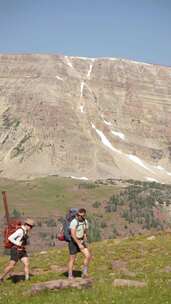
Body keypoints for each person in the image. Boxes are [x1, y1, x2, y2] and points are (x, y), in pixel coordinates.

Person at [0, 218, 35, 283]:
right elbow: (10, 238)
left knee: (26, 263)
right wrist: (17, 243)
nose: (31, 228)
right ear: (27, 225)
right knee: (11, 266)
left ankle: (27, 279)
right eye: (31, 227)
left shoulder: (25, 231)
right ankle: (1, 277)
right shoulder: (20, 231)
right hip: (15, 250)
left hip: (22, 250)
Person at [68, 208, 91, 279]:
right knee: (72, 259)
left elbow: (85, 230)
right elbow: (73, 234)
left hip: (81, 241)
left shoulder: (85, 222)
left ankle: (84, 273)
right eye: (78, 215)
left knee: (88, 256)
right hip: (73, 242)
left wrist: (85, 237)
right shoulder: (74, 222)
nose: (78, 216)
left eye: (81, 216)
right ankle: (70, 275)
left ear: (84, 216)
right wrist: (79, 244)